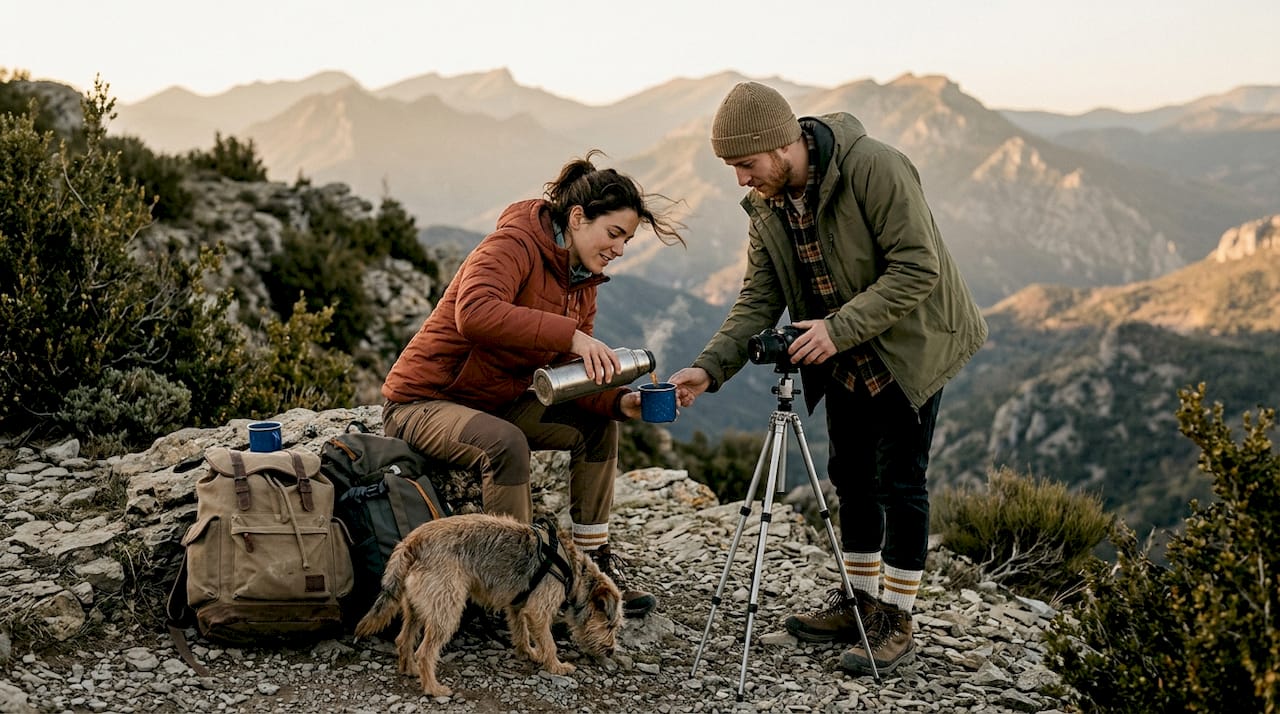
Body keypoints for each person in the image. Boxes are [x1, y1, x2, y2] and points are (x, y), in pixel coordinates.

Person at [668, 82, 987, 674]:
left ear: (781, 145)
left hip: (908, 346)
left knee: (901, 481)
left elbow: (919, 264)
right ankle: (861, 603)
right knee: (850, 477)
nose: (739, 179)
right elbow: (757, 300)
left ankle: (898, 619)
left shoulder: (874, 167)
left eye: (745, 164)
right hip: (839, 353)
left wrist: (839, 329)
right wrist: (708, 370)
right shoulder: (767, 206)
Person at [381, 151, 685, 618]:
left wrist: (621, 402)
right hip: (424, 403)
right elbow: (475, 313)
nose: (620, 249)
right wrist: (574, 336)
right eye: (615, 234)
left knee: (598, 426)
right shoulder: (512, 244)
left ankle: (590, 567)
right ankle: (516, 590)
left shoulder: (582, 279)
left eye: (626, 239)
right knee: (506, 444)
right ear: (579, 217)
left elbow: (571, 370)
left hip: (497, 401)